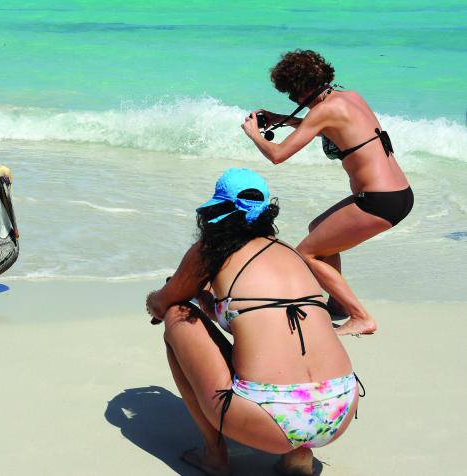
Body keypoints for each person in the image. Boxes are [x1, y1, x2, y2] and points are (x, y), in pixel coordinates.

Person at [146, 168, 359, 476]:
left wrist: (161, 299)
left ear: (216, 211)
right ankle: (298, 455)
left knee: (177, 313)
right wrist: (208, 300)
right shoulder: (290, 253)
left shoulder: (211, 251)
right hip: (339, 409)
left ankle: (214, 456)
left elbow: (162, 303)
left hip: (269, 419)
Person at [241, 50, 413, 336]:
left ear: (303, 88)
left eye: (292, 95)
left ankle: (361, 317)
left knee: (306, 253)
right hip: (397, 193)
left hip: (380, 201)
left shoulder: (323, 111)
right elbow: (327, 126)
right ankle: (338, 304)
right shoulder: (350, 98)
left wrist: (254, 135)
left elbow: (278, 155)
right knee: (317, 229)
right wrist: (283, 119)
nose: (294, 102)